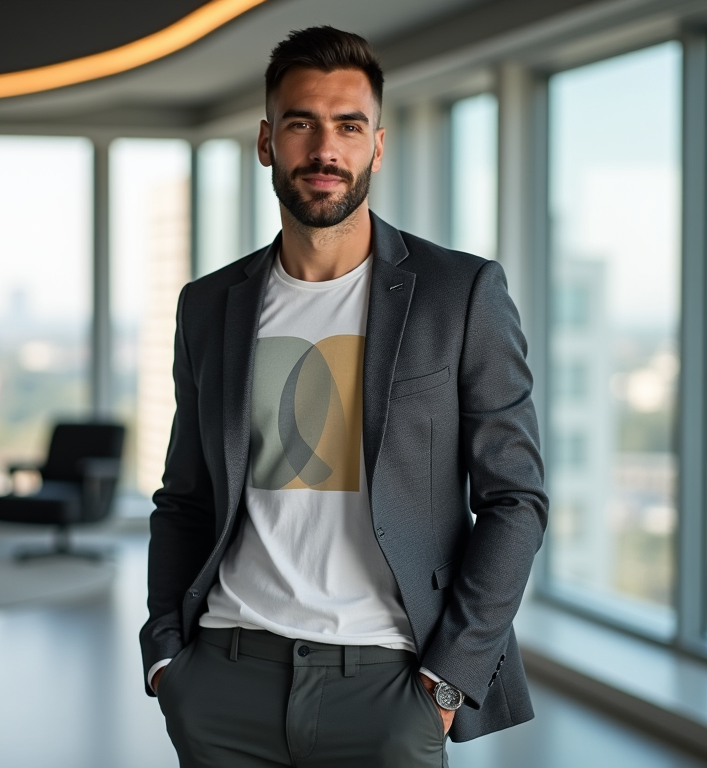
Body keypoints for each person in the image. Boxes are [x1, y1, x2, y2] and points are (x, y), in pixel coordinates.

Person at [140, 25, 547, 768]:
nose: (325, 149)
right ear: (267, 141)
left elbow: (516, 499)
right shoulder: (208, 305)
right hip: (226, 677)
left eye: (348, 126)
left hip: (390, 684)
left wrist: (447, 680)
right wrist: (167, 656)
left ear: (376, 147)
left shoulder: (460, 294)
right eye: (301, 124)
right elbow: (186, 495)